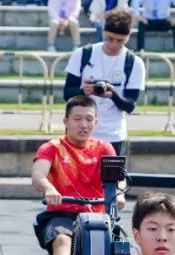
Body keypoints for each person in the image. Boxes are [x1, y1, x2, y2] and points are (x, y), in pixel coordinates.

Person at [31, 95, 120, 255]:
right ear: (66, 121)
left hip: (96, 216)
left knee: (118, 252)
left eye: (89, 119)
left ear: (96, 122)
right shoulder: (52, 148)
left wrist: (118, 193)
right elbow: (38, 175)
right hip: (62, 212)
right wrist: (49, 188)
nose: (83, 124)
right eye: (77, 119)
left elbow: (117, 180)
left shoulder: (104, 148)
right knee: (62, 241)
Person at [63, 8, 146, 156]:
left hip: (112, 135)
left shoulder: (134, 63)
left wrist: (113, 95)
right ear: (102, 32)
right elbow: (67, 94)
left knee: (111, 172)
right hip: (79, 133)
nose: (113, 45)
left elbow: (129, 106)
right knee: (74, 172)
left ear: (128, 37)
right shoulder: (83, 54)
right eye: (109, 39)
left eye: (120, 41)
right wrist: (84, 91)